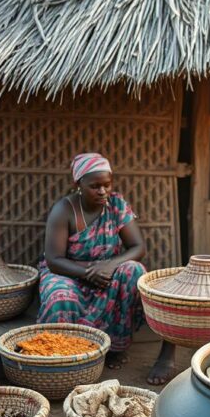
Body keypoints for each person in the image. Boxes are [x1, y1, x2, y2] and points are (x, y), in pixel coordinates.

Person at [39, 153, 176, 383]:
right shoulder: (64, 210)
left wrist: (111, 265)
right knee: (59, 296)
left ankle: (115, 347)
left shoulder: (116, 205)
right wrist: (88, 273)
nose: (102, 191)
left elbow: (138, 246)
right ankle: (66, 358)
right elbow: (54, 260)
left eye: (107, 185)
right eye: (95, 186)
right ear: (78, 184)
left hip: (105, 273)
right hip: (70, 273)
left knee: (133, 271)